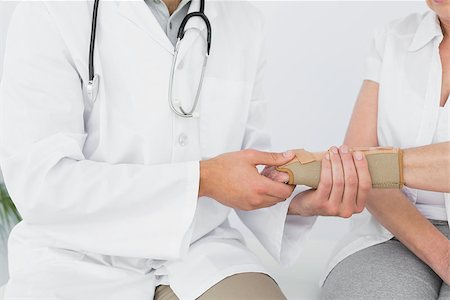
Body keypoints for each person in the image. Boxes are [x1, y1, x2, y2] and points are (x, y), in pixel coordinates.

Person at [0, 1, 372, 299]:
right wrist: (202, 179)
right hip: (77, 256)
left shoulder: (241, 20)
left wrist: (295, 204)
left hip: (199, 249)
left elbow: (246, 162)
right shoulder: (48, 11)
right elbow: (43, 182)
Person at [320, 0, 450, 298]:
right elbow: (358, 165)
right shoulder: (393, 38)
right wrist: (443, 257)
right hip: (393, 233)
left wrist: (383, 165)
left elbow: (366, 162)